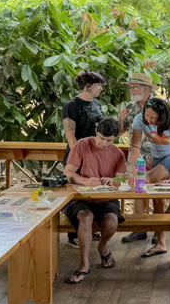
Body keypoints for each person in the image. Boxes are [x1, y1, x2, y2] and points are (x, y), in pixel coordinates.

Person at [62, 118, 126, 284]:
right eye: (101, 139)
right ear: (96, 132)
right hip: (80, 197)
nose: (104, 143)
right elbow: (68, 173)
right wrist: (84, 181)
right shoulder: (82, 145)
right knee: (86, 217)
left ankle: (102, 246)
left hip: (105, 197)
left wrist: (112, 181)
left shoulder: (118, 154)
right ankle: (84, 265)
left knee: (111, 222)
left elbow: (120, 180)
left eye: (109, 140)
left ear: (115, 138)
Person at [130, 97, 170, 258]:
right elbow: (135, 146)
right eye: (146, 116)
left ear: (161, 117)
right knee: (148, 188)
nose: (148, 120)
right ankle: (152, 234)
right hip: (158, 157)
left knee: (148, 180)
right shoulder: (139, 120)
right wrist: (135, 171)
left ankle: (151, 229)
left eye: (153, 118)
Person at [62, 71, 105, 249]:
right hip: (77, 156)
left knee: (91, 192)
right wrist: (78, 157)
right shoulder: (71, 105)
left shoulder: (96, 104)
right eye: (99, 85)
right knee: (76, 192)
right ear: (89, 86)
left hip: (94, 155)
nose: (101, 89)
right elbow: (70, 135)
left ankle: (90, 228)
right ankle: (73, 234)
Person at [118, 73, 157, 244]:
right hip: (135, 156)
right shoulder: (130, 106)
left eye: (134, 87)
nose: (131, 90)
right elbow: (120, 132)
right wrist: (120, 121)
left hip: (156, 156)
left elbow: (169, 131)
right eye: (130, 87)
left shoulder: (160, 106)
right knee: (137, 191)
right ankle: (139, 229)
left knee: (156, 192)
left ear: (146, 89)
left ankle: (159, 229)